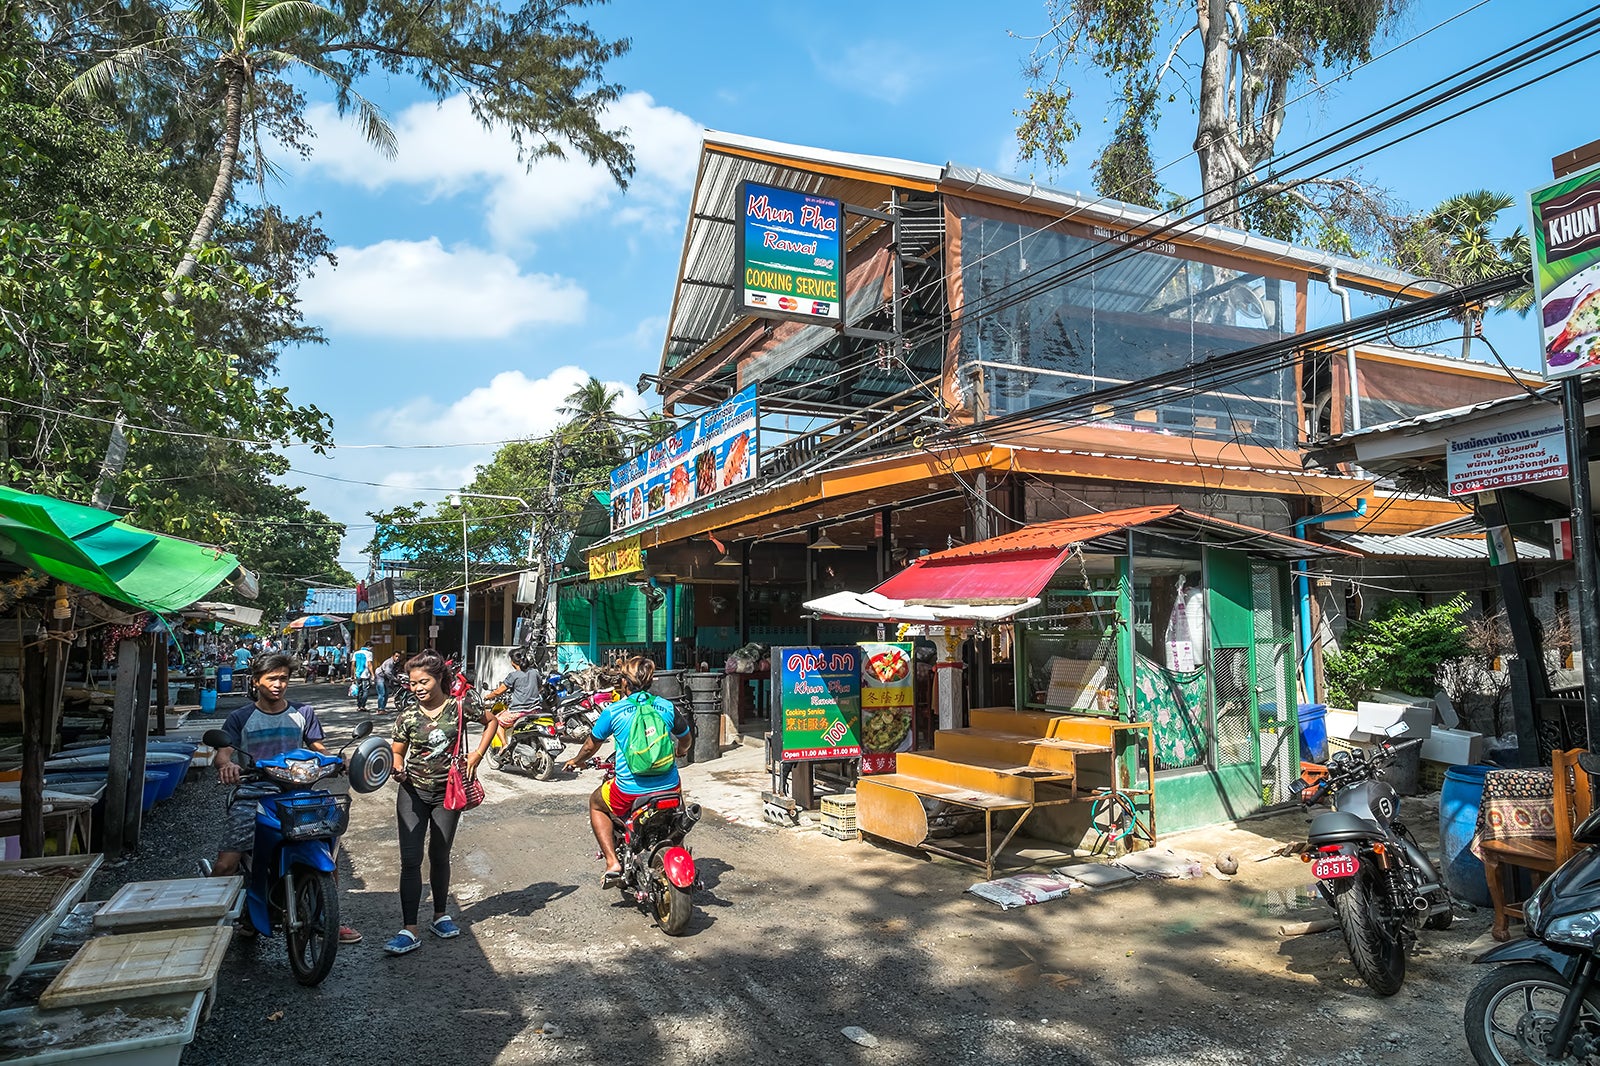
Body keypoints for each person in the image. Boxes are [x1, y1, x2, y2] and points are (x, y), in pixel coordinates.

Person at [205, 652, 360, 944]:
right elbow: (223, 752)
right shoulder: (240, 717)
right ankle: (207, 919)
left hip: (297, 793)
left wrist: (339, 760)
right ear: (256, 682)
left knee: (328, 850)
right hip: (254, 793)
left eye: (283, 679)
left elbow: (318, 748)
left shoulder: (303, 712)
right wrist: (227, 765)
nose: (278, 684)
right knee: (227, 862)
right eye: (272, 679)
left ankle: (328, 916)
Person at [384, 650, 498, 956]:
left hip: (448, 794)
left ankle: (439, 916)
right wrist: (397, 767)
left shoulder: (461, 707)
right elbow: (397, 751)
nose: (418, 688)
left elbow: (492, 722)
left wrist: (477, 755)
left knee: (439, 854)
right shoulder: (407, 715)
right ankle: (409, 929)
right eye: (412, 683)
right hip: (412, 792)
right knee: (410, 859)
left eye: (424, 681)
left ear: (439, 679)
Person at [562, 656, 689, 887]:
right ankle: (677, 845)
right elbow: (686, 739)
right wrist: (680, 751)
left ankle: (612, 863)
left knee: (596, 802)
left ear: (624, 683)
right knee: (678, 807)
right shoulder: (667, 707)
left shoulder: (614, 712)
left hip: (629, 792)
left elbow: (591, 745)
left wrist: (577, 760)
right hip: (669, 789)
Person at [351, 641, 374, 710]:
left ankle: (359, 705)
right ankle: (362, 706)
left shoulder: (356, 653)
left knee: (359, 690)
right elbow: (369, 664)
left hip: (358, 674)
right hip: (365, 674)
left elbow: (353, 665)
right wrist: (372, 674)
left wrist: (352, 674)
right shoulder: (369, 653)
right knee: (365, 690)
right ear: (369, 647)